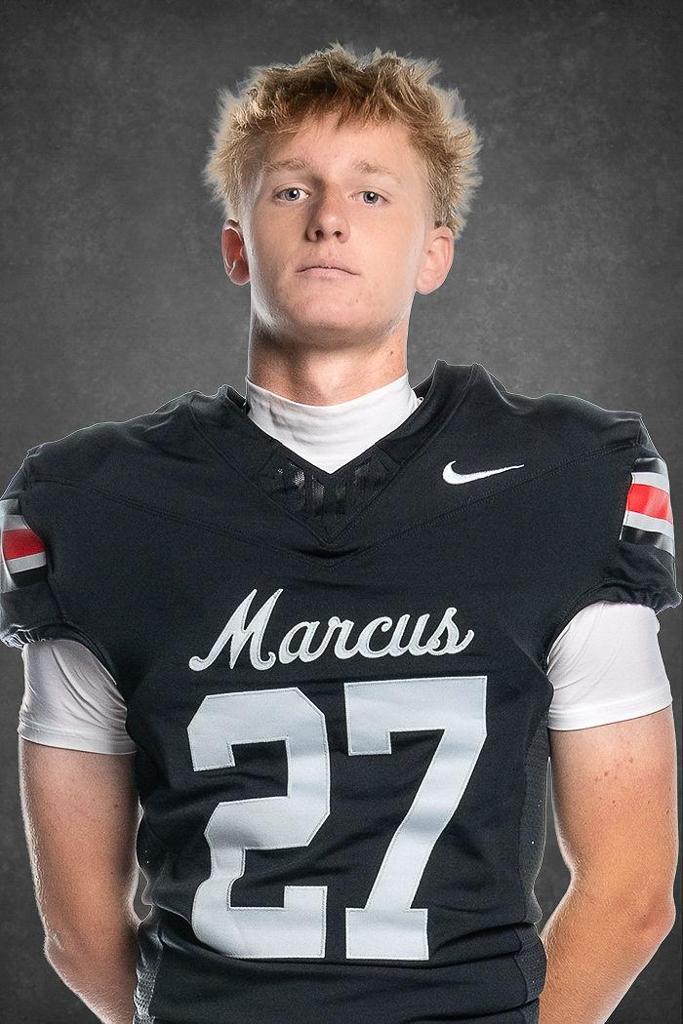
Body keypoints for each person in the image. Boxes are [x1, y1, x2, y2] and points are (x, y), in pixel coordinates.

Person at [0, 42, 679, 1024]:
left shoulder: (564, 480)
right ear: (236, 245)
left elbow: (630, 891)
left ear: (433, 251)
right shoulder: (95, 502)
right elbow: (76, 926)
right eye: (290, 190)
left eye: (371, 193)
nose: (327, 217)